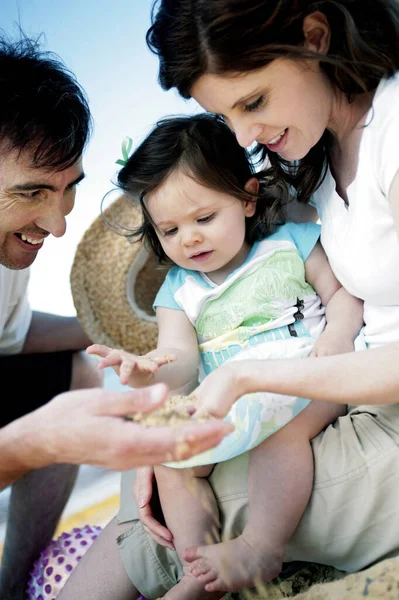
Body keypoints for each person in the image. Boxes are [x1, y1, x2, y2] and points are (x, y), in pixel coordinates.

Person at [56, 1, 399, 598]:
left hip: (355, 400)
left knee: (153, 514)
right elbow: (183, 354)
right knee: (160, 462)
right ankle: (199, 566)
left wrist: (272, 371)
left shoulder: (387, 136)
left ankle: (232, 562)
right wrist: (156, 392)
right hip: (316, 390)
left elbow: (336, 304)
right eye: (222, 113)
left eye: (254, 101)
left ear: (316, 38)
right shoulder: (306, 161)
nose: (243, 137)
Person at [86, 112, 363, 599]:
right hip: (229, 398)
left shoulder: (290, 243)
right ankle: (199, 564)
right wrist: (151, 367)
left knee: (282, 438)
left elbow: (342, 295)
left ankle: (261, 545)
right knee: (170, 457)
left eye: (204, 218)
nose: (188, 238)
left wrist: (337, 340)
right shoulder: (179, 290)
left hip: (306, 378)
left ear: (248, 198)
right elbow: (181, 356)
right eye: (169, 231)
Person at [0, 35, 232, 600]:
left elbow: (14, 336)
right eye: (32, 193)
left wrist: (129, 326)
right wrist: (35, 443)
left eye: (67, 191)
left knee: (73, 368)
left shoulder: (9, 250)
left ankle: (12, 584)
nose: (55, 226)